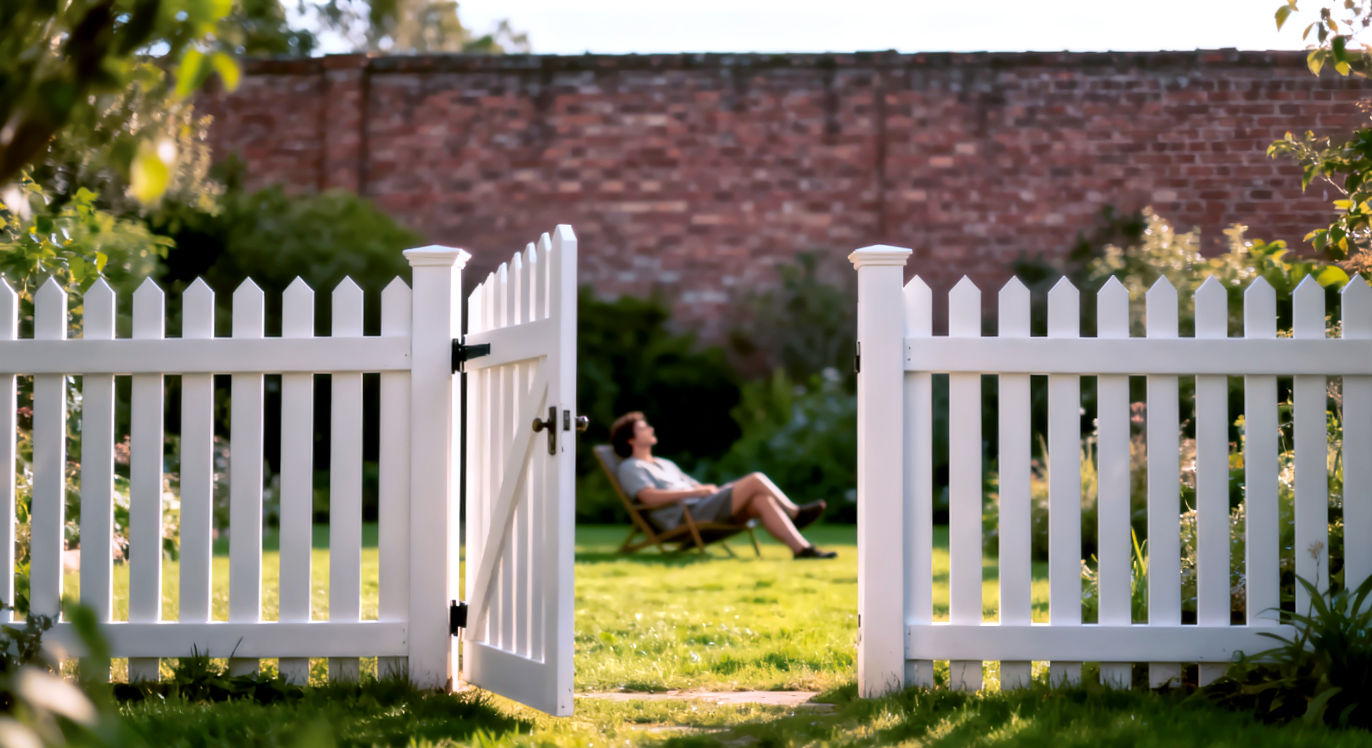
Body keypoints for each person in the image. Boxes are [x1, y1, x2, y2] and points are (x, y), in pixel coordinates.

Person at [610, 411, 837, 559]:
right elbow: (648, 498)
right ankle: (795, 513)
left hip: (702, 506)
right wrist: (699, 492)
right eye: (643, 428)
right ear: (630, 440)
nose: (650, 429)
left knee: (761, 500)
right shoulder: (631, 467)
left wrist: (711, 491)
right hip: (685, 516)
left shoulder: (664, 463)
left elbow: (694, 485)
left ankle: (802, 550)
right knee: (756, 478)